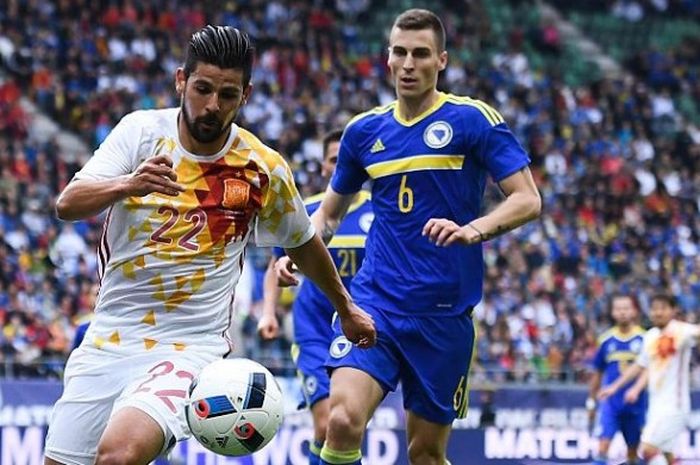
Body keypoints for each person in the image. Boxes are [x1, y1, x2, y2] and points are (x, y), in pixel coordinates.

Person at [43, 25, 375, 465]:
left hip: (190, 346)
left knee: (119, 455)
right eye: (202, 89)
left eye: (227, 95)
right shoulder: (140, 134)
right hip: (111, 336)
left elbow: (304, 242)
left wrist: (346, 307)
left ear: (246, 95)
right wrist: (128, 183)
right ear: (181, 80)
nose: (212, 106)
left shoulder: (261, 169)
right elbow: (68, 204)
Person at [275, 9, 541, 465]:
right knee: (340, 422)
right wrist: (297, 251)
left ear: (441, 61)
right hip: (375, 305)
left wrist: (471, 230)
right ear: (388, 59)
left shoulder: (473, 120)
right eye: (400, 52)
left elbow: (527, 199)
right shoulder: (364, 132)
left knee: (425, 454)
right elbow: (329, 215)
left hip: (443, 316)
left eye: (420, 54)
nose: (409, 63)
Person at [258, 129, 373, 465]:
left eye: (345, 159)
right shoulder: (306, 211)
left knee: (345, 425)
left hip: (362, 329)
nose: (339, 166)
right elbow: (274, 265)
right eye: (333, 160)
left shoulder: (379, 213)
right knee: (325, 424)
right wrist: (268, 313)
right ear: (323, 167)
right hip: (315, 328)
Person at [599, 293, 699, 465]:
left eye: (663, 308)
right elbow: (640, 366)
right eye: (654, 309)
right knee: (668, 456)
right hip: (655, 406)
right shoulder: (651, 336)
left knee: (647, 450)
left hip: (675, 406)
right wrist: (615, 387)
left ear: (673, 310)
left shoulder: (681, 330)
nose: (658, 313)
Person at [587, 294, 647, 465]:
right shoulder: (605, 340)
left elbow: (648, 371)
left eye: (626, 308)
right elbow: (597, 374)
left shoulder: (645, 339)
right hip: (611, 403)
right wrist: (591, 402)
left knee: (633, 454)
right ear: (613, 312)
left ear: (634, 311)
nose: (622, 312)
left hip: (636, 404)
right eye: (618, 308)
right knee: (602, 449)